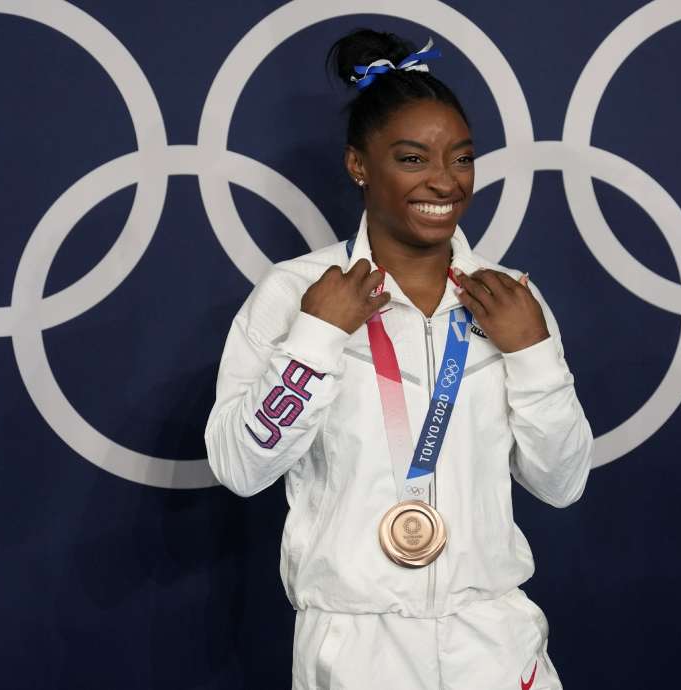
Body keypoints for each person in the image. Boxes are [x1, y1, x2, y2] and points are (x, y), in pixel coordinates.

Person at [205, 28, 594, 690]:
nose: (444, 181)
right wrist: (315, 342)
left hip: (494, 643)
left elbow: (562, 484)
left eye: (462, 158)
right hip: (357, 648)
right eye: (413, 159)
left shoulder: (508, 298)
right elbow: (240, 466)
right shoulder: (296, 292)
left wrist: (532, 356)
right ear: (360, 165)